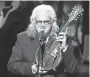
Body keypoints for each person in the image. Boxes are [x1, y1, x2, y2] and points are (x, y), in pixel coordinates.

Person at [7, 4, 78, 77]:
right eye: (39, 21)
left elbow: (72, 70)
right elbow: (12, 65)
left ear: (52, 22)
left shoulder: (64, 39)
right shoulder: (22, 38)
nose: (42, 25)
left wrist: (64, 48)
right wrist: (31, 68)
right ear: (33, 21)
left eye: (46, 21)